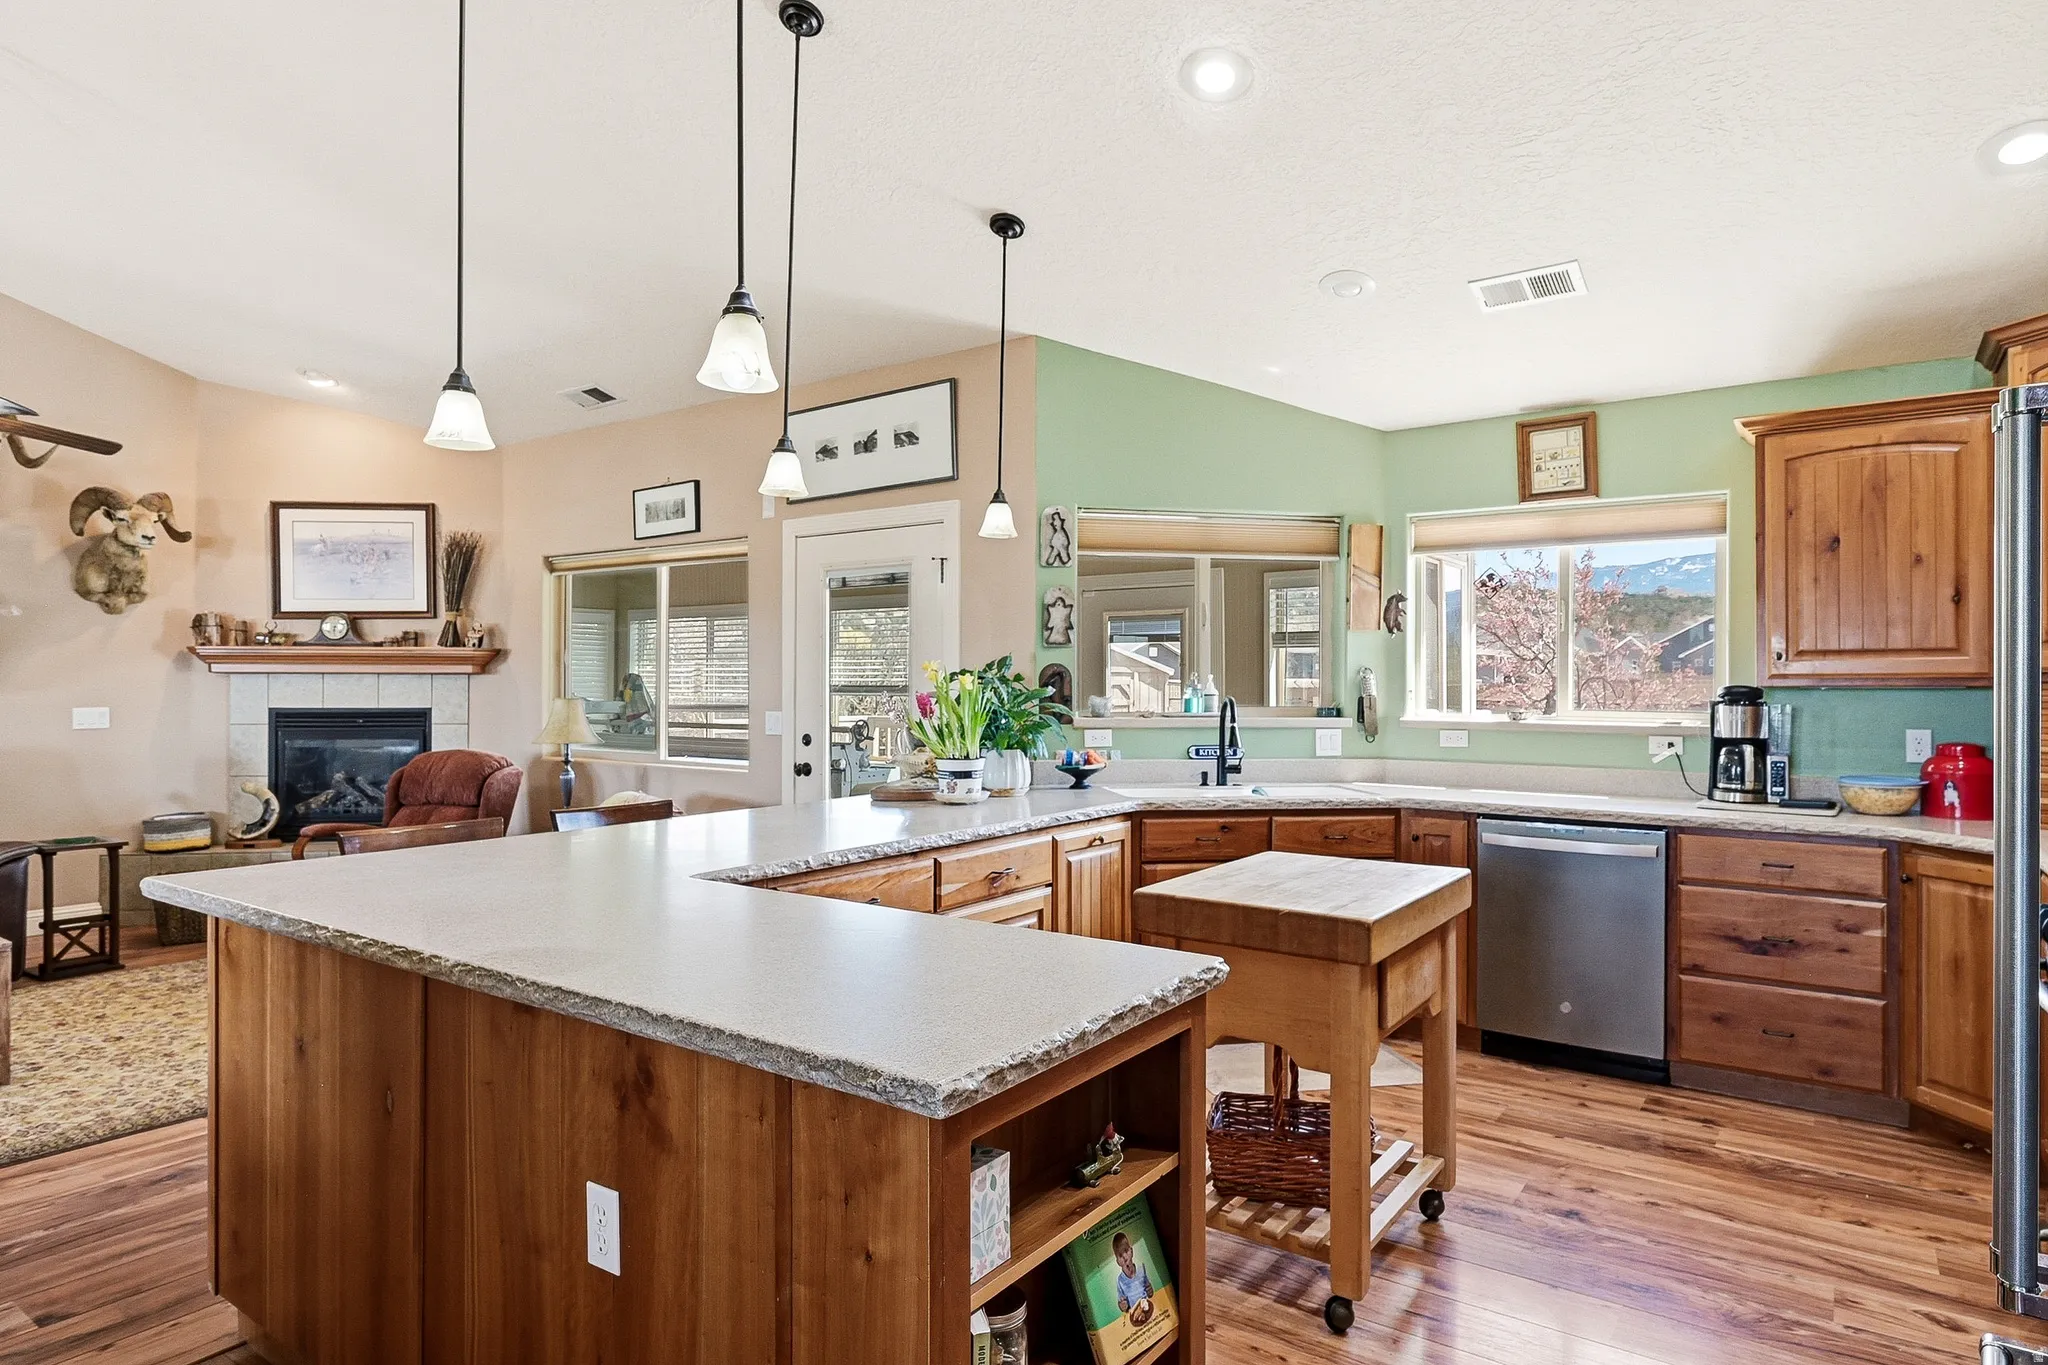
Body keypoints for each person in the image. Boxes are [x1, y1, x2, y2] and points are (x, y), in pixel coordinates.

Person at [1112, 1231, 1153, 1316]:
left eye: (1126, 1251)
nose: (1124, 1256)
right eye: (1120, 1255)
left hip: (1146, 1309)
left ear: (1131, 1251)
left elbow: (1149, 1289)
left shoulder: (1141, 1268)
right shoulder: (1120, 1281)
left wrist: (1150, 1291)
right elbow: (1121, 1303)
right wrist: (1122, 1306)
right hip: (1134, 1314)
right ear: (1117, 1262)